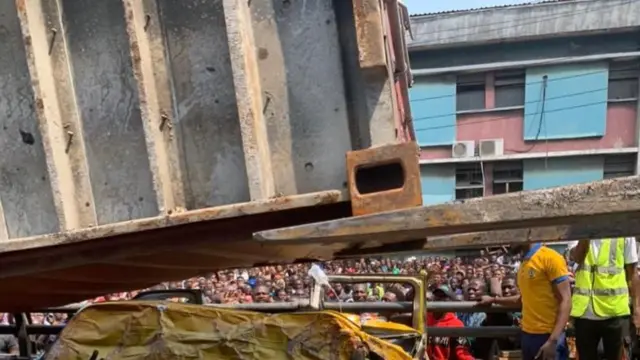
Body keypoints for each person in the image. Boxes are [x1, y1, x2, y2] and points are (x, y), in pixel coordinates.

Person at [478, 243, 571, 360]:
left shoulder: (550, 257)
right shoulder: (524, 264)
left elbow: (566, 300)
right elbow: (523, 299)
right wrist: (494, 299)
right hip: (527, 335)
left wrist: (553, 341)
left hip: (548, 337)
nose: (508, 243)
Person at [568, 238, 640, 360]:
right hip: (585, 313)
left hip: (615, 313)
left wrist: (637, 308)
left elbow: (632, 273)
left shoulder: (623, 231)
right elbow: (577, 257)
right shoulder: (579, 228)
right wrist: (586, 235)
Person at [427, 285, 475, 360]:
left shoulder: (456, 324)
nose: (439, 298)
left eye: (443, 296)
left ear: (450, 301)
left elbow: (461, 351)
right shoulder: (424, 318)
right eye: (437, 295)